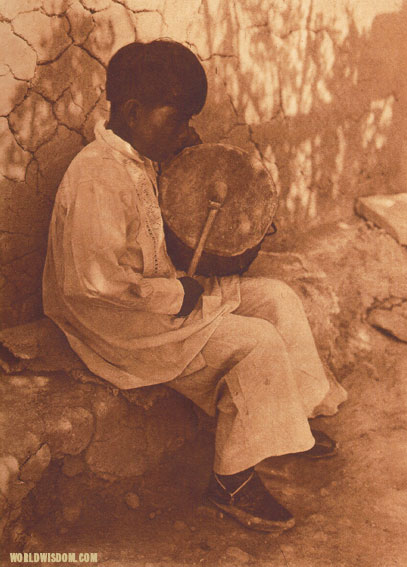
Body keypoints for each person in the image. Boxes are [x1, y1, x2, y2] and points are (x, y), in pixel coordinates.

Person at [43, 40, 347, 533]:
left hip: (157, 298)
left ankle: (293, 417)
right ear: (133, 111)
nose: (185, 132)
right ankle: (231, 481)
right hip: (120, 326)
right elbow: (93, 283)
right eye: (177, 120)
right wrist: (175, 295)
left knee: (276, 299)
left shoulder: (142, 154)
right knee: (256, 343)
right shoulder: (96, 178)